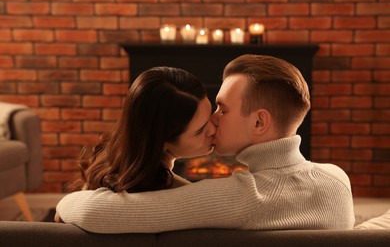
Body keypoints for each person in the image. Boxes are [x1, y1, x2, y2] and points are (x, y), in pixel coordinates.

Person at [55, 54, 355, 233]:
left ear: (259, 122)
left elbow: (95, 212)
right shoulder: (337, 179)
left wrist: (65, 201)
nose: (214, 118)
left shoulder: (242, 198)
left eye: (222, 109)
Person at [65, 66, 216, 193]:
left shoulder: (112, 165)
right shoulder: (171, 194)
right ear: (160, 140)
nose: (213, 129)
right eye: (200, 130)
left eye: (210, 115)